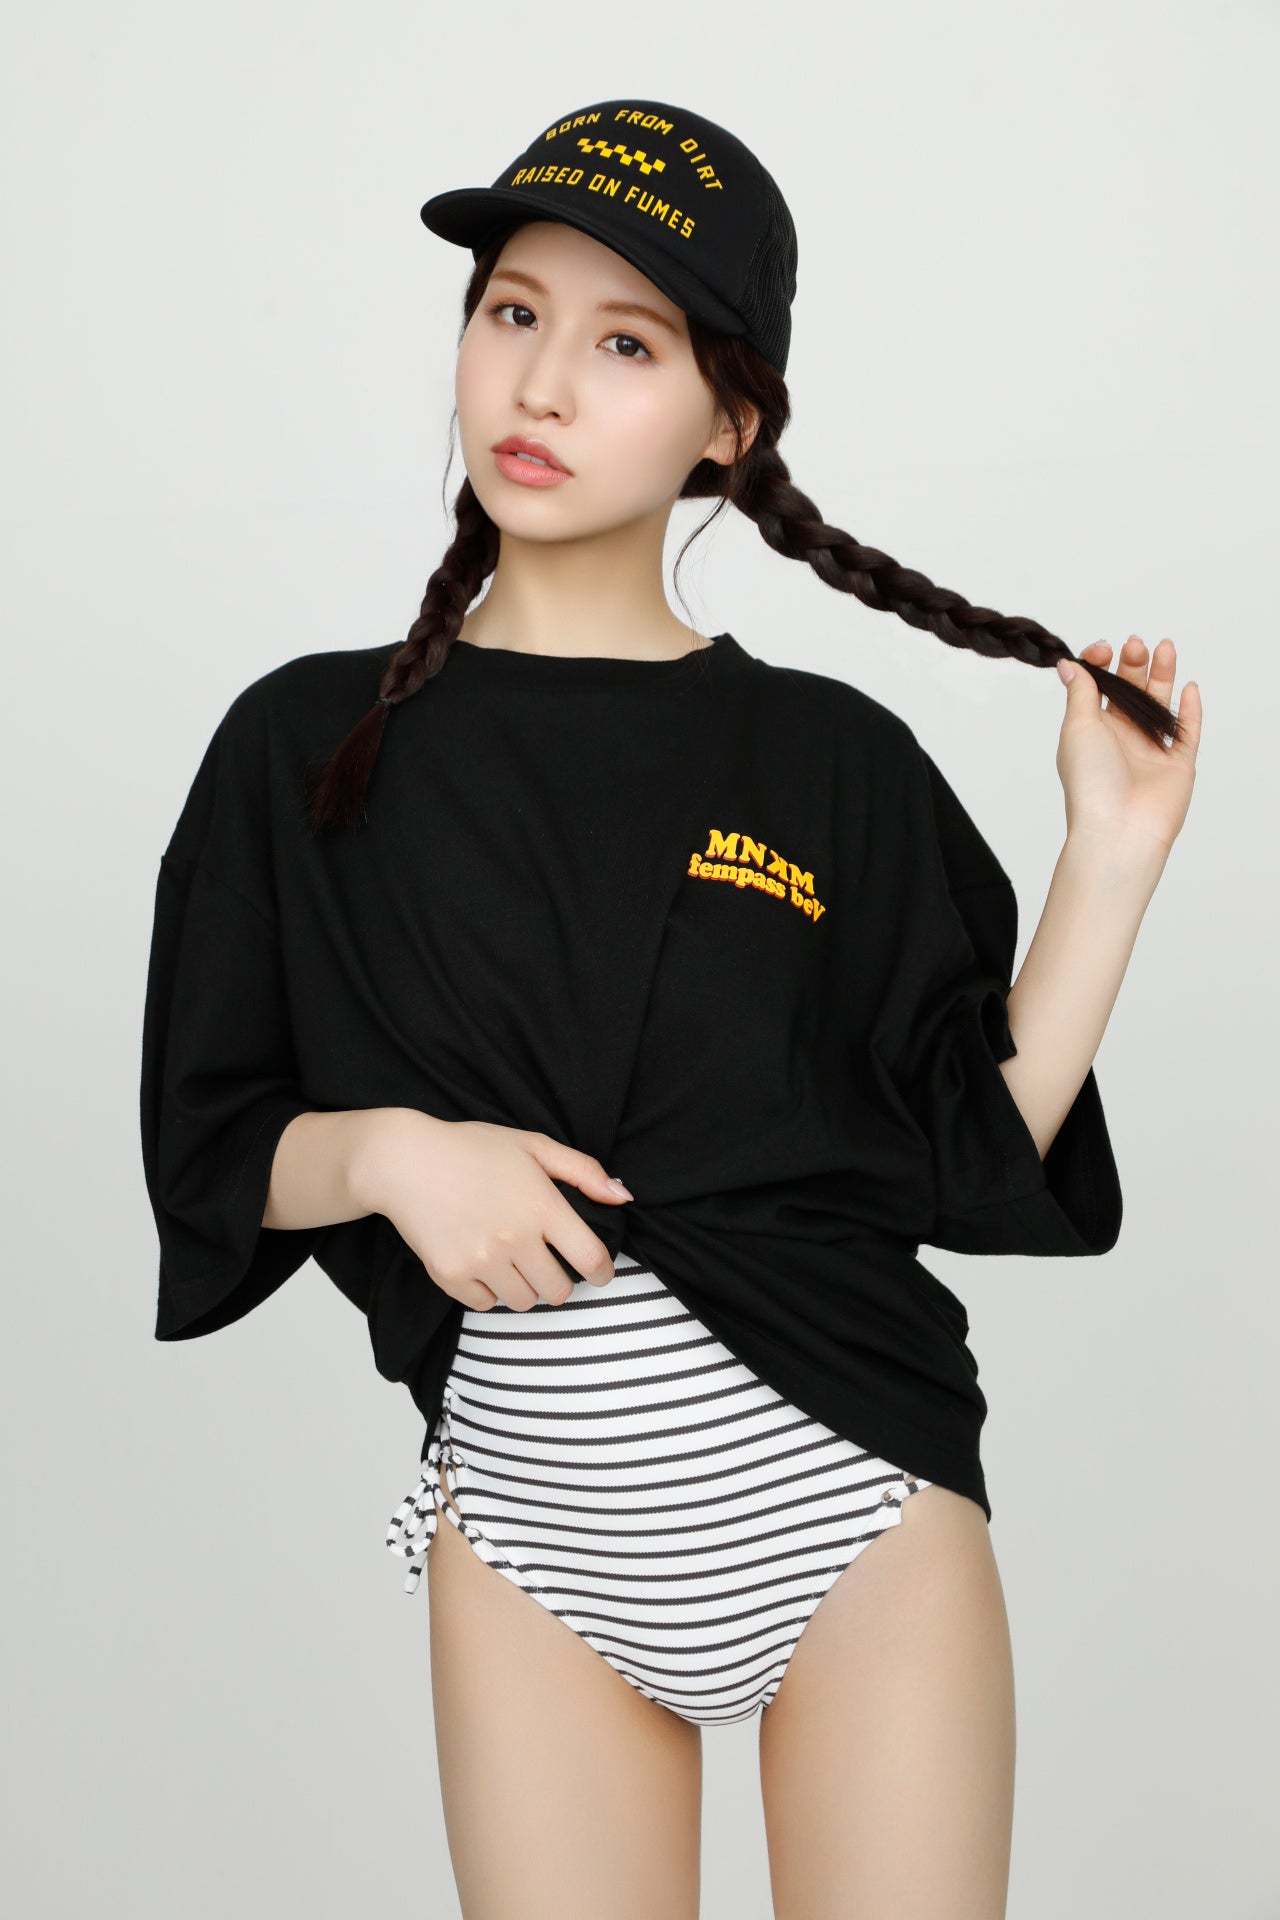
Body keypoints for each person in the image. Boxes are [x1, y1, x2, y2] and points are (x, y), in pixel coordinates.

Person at [140, 96, 1201, 1920]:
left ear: (730, 423)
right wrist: (397, 1158)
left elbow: (965, 1152)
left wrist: (1110, 860)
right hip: (529, 1536)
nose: (542, 384)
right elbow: (216, 1143)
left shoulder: (831, 762)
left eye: (625, 344)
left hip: (855, 1510)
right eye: (512, 312)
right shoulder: (307, 746)